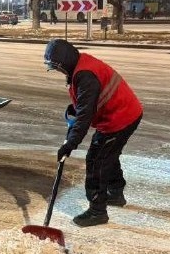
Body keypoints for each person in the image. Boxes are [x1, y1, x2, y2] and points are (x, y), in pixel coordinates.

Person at [44, 39, 143, 227]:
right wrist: (76, 107)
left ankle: (97, 211)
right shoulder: (81, 63)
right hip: (126, 112)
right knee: (108, 154)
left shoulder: (85, 75)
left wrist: (70, 144)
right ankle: (115, 193)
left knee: (96, 160)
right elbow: (85, 104)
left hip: (118, 118)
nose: (58, 71)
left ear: (64, 63)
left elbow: (84, 116)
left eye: (57, 67)